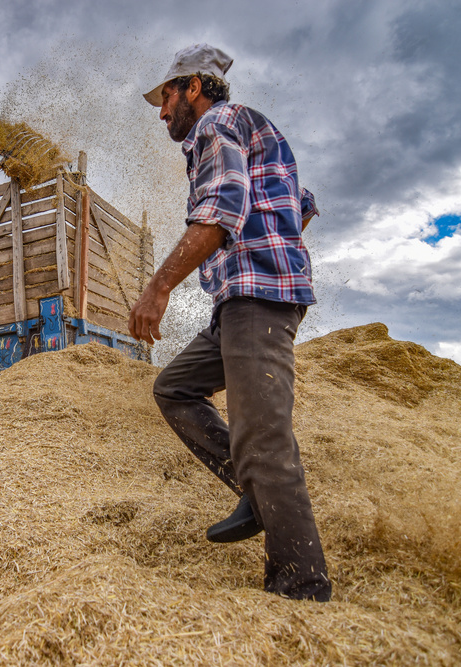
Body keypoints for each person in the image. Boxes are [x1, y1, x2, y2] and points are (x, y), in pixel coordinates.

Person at [129, 44, 331, 601]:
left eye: (166, 96)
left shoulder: (216, 125)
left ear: (193, 87)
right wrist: (278, 248)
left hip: (255, 301)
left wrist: (158, 285)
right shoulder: (252, 129)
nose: (161, 110)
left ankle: (301, 589)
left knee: (263, 438)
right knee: (174, 387)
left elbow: (219, 208)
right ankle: (256, 495)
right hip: (243, 298)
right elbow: (303, 202)